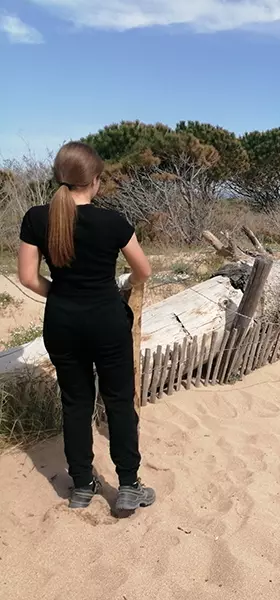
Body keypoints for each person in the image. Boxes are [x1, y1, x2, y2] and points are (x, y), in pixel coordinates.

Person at [17, 142, 155, 512]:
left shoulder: (36, 218)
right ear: (95, 181)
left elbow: (28, 278)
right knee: (119, 402)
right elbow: (143, 272)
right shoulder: (113, 221)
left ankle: (81, 485)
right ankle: (128, 485)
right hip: (107, 321)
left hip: (62, 322)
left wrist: (61, 293)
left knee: (75, 403)